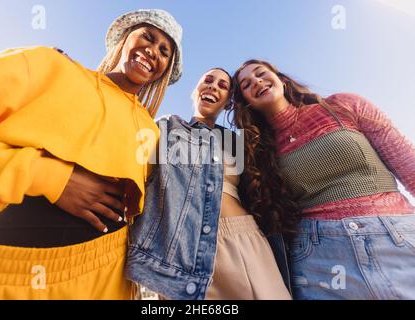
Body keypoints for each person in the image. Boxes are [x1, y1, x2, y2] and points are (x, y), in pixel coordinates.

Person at [0, 9, 183, 300]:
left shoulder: (153, 133)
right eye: (148, 36)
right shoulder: (51, 66)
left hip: (105, 282)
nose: (153, 50)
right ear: (124, 37)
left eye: (164, 51)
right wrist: (46, 176)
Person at [231, 59, 415, 300]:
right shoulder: (259, 152)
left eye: (261, 73)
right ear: (247, 102)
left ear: (282, 80)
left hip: (397, 237)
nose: (256, 81)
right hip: (318, 260)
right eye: (246, 84)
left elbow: (408, 165)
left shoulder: (344, 106)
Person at [125, 68, 291, 300]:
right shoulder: (167, 127)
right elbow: (129, 164)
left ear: (228, 102)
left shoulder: (239, 142)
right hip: (180, 252)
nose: (214, 87)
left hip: (243, 240)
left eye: (223, 86)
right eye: (209, 80)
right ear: (195, 91)